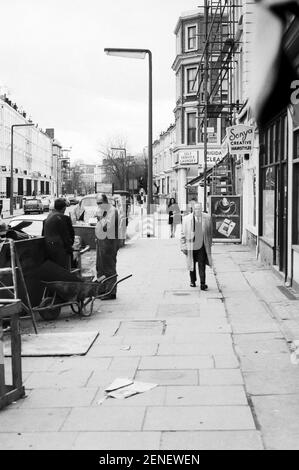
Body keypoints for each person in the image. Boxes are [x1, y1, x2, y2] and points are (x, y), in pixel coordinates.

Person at [180, 202, 212, 290]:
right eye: (196, 208)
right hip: (191, 246)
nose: (197, 210)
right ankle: (192, 281)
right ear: (193, 209)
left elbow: (210, 233)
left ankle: (203, 283)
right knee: (191, 264)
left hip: (202, 246)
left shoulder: (207, 218)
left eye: (199, 208)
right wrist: (183, 246)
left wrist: (209, 243)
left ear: (201, 209)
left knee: (202, 264)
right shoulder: (186, 219)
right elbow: (182, 234)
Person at [95, 193, 119, 300]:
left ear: (105, 202)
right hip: (101, 241)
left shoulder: (112, 211)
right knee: (100, 266)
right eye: (97, 203)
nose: (98, 205)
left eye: (100, 203)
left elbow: (107, 227)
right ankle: (102, 289)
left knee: (109, 267)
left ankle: (110, 291)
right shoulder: (103, 210)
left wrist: (100, 218)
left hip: (109, 242)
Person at [42, 198, 74, 270]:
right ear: (64, 208)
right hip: (60, 249)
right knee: (63, 269)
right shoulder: (63, 218)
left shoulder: (49, 217)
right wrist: (69, 248)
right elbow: (66, 235)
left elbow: (43, 233)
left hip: (49, 247)